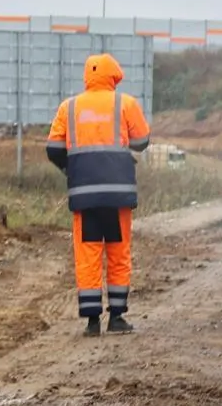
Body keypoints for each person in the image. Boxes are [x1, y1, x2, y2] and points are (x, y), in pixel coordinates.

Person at [46, 53, 152, 337]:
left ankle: (92, 322)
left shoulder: (69, 108)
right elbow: (142, 142)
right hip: (118, 196)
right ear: (113, 76)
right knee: (118, 253)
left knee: (88, 255)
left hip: (84, 195)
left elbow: (53, 149)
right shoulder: (125, 103)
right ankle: (117, 318)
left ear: (87, 76)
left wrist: (73, 169)